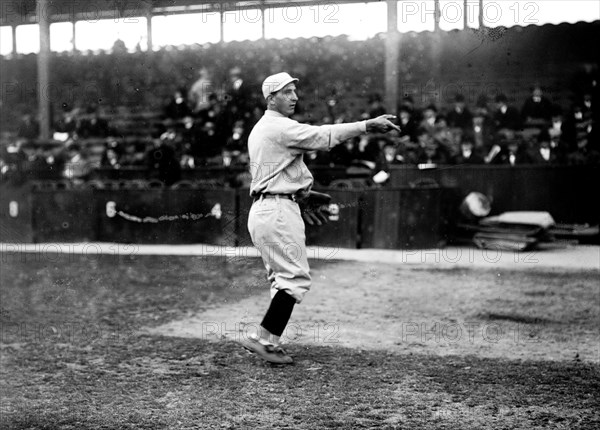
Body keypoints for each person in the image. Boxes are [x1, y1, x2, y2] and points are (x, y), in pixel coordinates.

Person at [240, 72, 399, 364]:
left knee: (282, 279)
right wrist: (366, 125)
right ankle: (263, 339)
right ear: (270, 98)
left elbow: (278, 171)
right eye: (286, 92)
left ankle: (268, 341)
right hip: (276, 209)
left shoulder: (262, 129)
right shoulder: (278, 127)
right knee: (294, 279)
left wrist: (301, 194)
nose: (294, 97)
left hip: (269, 206)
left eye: (294, 91)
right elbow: (323, 137)